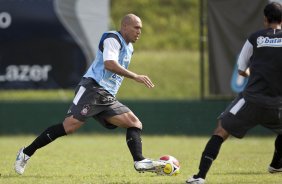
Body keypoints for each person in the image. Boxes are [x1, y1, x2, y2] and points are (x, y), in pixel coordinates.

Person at [14, 13, 166, 175]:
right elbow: (109, 64)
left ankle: (139, 161)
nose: (139, 31)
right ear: (124, 27)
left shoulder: (130, 48)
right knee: (69, 127)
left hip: (106, 96)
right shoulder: (112, 39)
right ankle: (25, 153)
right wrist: (135, 76)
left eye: (140, 29)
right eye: (136, 27)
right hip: (92, 89)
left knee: (134, 123)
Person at [186, 2, 282, 184]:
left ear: (265, 19)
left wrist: (253, 73)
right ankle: (277, 164)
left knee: (221, 130)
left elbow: (241, 69)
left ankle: (200, 177)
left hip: (251, 100)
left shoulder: (255, 38)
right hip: (278, 103)